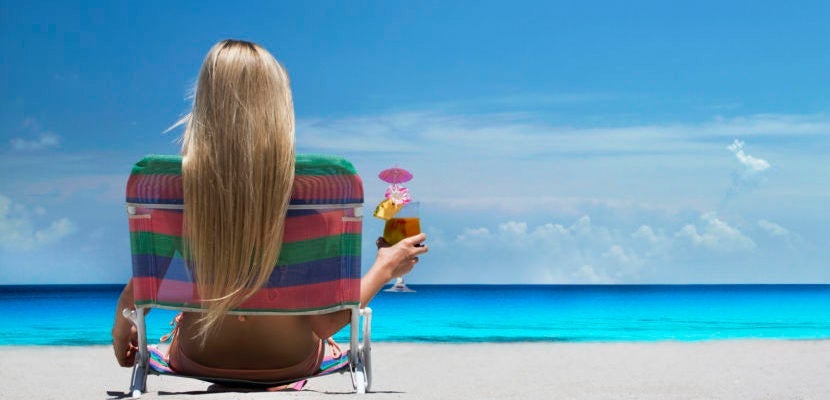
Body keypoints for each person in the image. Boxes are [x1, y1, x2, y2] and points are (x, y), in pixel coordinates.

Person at [111, 39, 427, 384]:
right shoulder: (316, 195)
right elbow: (325, 324)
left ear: (203, 107)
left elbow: (147, 282)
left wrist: (121, 326)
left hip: (198, 357)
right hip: (289, 361)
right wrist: (386, 266)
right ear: (279, 110)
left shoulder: (175, 192)